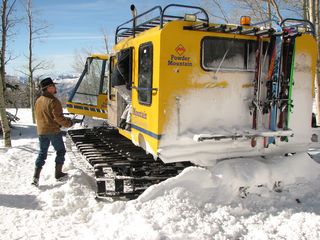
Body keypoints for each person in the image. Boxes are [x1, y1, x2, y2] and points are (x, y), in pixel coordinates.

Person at [32, 77, 73, 186]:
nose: (55, 87)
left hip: (41, 131)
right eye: (53, 86)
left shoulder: (38, 100)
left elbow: (43, 116)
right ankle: (58, 174)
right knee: (60, 151)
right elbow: (58, 118)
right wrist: (69, 123)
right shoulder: (54, 101)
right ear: (49, 88)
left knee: (42, 153)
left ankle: (35, 177)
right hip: (53, 131)